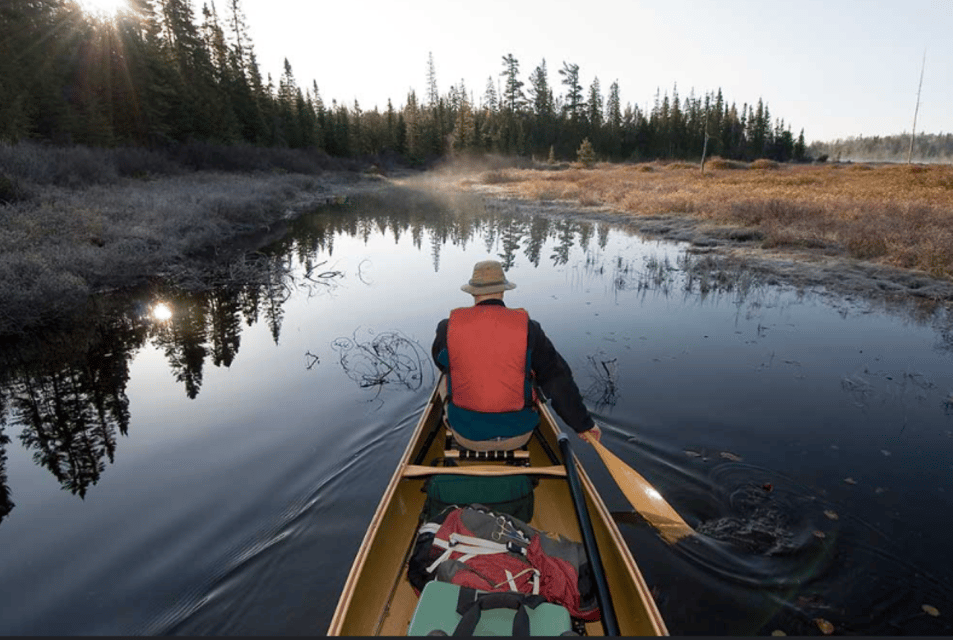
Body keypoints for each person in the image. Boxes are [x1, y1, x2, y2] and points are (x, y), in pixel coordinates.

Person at [432, 259, 603, 451]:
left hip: (467, 435)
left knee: (446, 376)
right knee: (536, 372)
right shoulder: (530, 328)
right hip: (520, 436)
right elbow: (558, 381)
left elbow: (441, 363)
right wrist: (584, 425)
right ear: (503, 290)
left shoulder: (447, 328)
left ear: (473, 292)